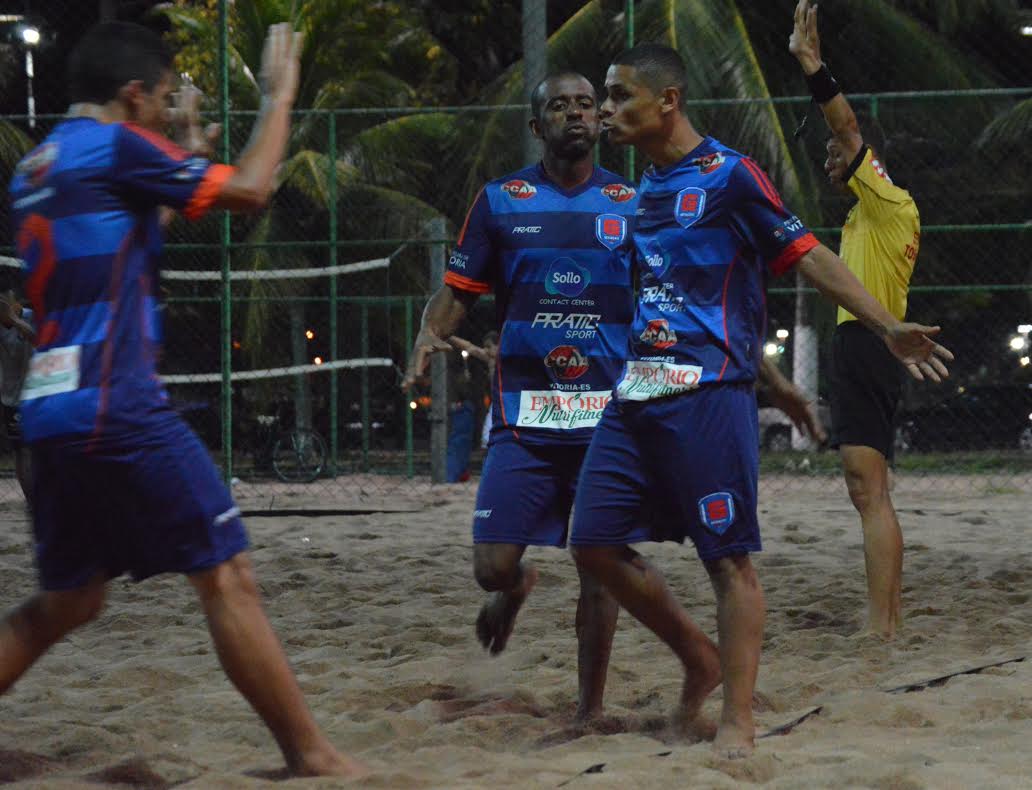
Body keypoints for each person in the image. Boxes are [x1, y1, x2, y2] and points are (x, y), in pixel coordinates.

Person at [568, 44, 952, 758]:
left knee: (729, 561)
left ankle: (738, 721)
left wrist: (887, 323)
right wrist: (784, 386)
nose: (605, 112)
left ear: (668, 102)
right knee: (590, 542)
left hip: (708, 395)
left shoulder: (731, 176)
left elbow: (806, 255)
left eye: (620, 97)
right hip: (637, 393)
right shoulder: (643, 192)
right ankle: (698, 658)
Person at [3, 21, 363, 778]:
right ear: (132, 94)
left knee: (68, 602)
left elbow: (142, 214)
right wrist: (280, 96)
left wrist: (188, 140)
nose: (168, 111)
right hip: (118, 400)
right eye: (165, 99)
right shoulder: (119, 146)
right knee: (226, 573)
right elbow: (253, 189)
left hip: (46, 406)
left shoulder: (38, 163)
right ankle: (313, 756)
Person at [403, 72, 636, 721]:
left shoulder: (629, 202)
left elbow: (661, 296)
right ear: (537, 126)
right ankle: (516, 587)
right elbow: (458, 292)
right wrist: (428, 333)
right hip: (523, 418)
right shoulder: (502, 201)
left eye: (585, 105)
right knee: (490, 566)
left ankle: (588, 710)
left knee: (602, 567)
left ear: (601, 121)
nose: (575, 115)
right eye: (558, 107)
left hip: (604, 423)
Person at [790, 0, 920, 639]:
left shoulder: (888, 200)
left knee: (867, 491)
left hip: (869, 342)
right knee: (871, 490)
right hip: (873, 344)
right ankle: (885, 618)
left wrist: (814, 66)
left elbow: (843, 127)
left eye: (842, 156)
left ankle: (880, 625)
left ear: (871, 161)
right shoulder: (870, 215)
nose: (830, 160)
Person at [0, 289, 34, 505]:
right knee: (22, 452)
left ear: (15, 302)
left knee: (41, 450)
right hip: (12, 398)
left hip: (39, 393)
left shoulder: (30, 316)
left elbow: (39, 339)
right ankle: (32, 502)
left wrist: (13, 319)